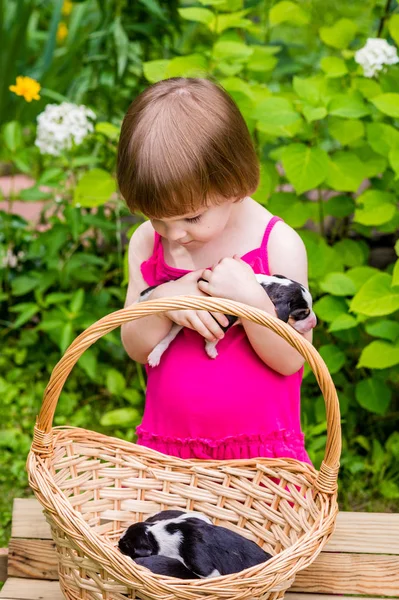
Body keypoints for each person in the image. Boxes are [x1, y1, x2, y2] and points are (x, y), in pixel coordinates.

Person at [117, 77, 313, 464]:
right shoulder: (145, 242)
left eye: (191, 217)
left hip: (260, 457)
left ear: (236, 183)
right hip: (169, 452)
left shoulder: (277, 245)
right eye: (157, 218)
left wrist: (254, 303)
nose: (174, 235)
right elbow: (136, 347)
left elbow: (293, 361)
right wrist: (161, 302)